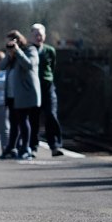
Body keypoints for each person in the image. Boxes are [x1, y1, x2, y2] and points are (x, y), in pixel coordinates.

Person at [0, 29, 41, 160]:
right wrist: (9, 54)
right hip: (12, 94)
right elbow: (1, 66)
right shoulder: (12, 55)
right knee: (13, 122)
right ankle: (11, 148)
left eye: (12, 42)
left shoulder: (30, 50)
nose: (10, 45)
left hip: (24, 93)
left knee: (23, 120)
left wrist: (18, 51)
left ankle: (25, 148)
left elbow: (29, 65)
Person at [30, 23, 64, 157]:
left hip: (47, 86)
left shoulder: (50, 50)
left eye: (40, 35)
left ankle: (55, 145)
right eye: (36, 35)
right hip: (33, 87)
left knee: (51, 115)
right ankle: (32, 146)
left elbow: (52, 66)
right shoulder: (29, 50)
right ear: (31, 36)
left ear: (44, 36)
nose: (38, 37)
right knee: (33, 118)